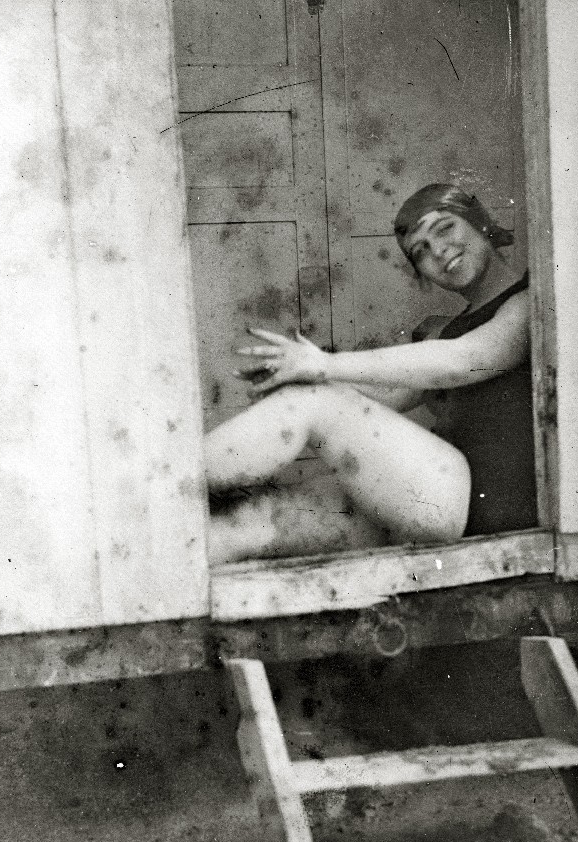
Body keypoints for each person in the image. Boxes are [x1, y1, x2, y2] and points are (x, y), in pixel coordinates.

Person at [206, 183, 536, 564]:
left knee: (311, 403)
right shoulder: (447, 330)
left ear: (481, 223)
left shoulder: (531, 301)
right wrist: (309, 374)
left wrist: (323, 366)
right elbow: (396, 396)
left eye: (445, 228)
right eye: (420, 251)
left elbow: (464, 360)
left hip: (482, 505)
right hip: (439, 499)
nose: (438, 251)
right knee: (254, 522)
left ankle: (166, 484)